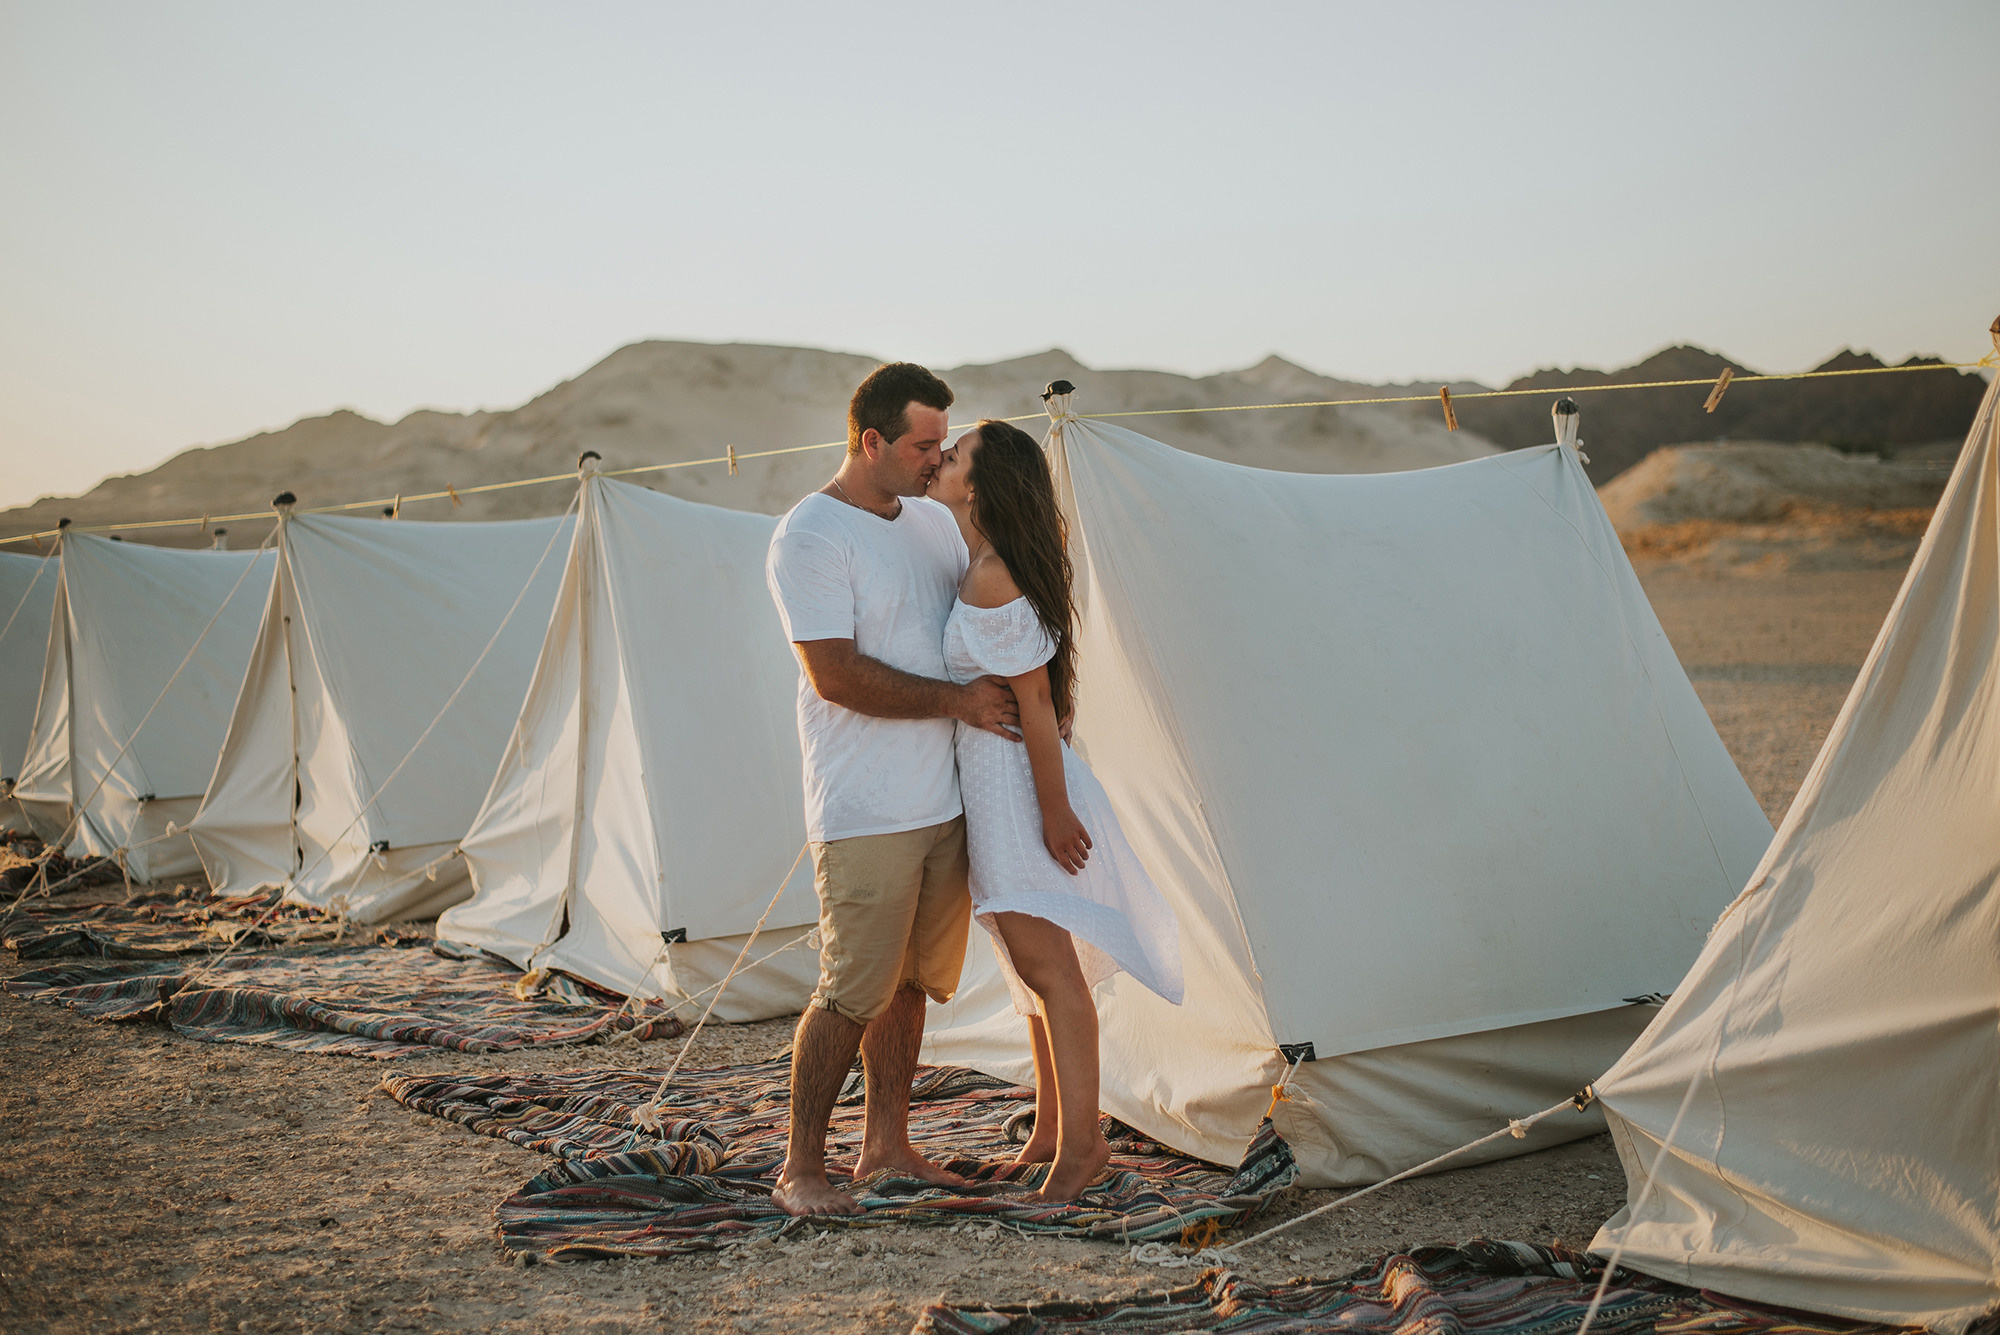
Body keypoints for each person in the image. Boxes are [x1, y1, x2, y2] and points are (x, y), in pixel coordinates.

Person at [764, 362, 1021, 1217]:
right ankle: (801, 1168)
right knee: (851, 988)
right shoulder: (810, 535)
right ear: (870, 440)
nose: (937, 458)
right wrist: (958, 701)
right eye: (922, 444)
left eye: (944, 442)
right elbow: (834, 675)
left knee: (912, 986)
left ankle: (886, 1147)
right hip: (865, 806)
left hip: (944, 799)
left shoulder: (933, 523)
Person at [927, 419, 1184, 1203]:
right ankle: (1049, 1128)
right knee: (1026, 966)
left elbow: (1036, 703)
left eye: (954, 455)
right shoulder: (979, 564)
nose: (941, 459)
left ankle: (1083, 1146)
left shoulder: (994, 575)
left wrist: (1054, 809)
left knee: (1051, 969)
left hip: (1019, 793)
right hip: (997, 788)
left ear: (979, 484)